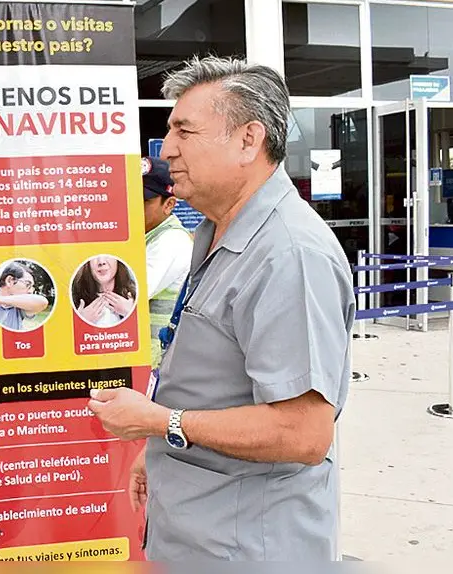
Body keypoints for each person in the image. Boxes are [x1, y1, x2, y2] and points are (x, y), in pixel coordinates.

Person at [88, 56, 355, 560]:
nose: (167, 149)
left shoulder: (288, 256)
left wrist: (159, 423)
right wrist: (162, 450)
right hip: (198, 534)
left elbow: (302, 431)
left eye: (184, 131)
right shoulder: (215, 232)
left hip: (248, 548)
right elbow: (217, 381)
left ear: (248, 140)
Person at [141, 156, 193, 366]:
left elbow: (133, 292)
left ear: (169, 204)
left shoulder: (171, 241)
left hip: (156, 367)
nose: (131, 207)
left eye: (143, 201)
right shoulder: (144, 237)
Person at [71, 256, 136, 328]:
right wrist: (80, 322)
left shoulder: (135, 295)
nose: (101, 262)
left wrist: (130, 312)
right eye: (95, 256)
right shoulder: (73, 298)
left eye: (107, 255)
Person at [0, 262, 49, 331]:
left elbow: (42, 302)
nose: (30, 291)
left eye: (32, 287)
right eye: (27, 284)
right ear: (9, 281)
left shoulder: (20, 306)